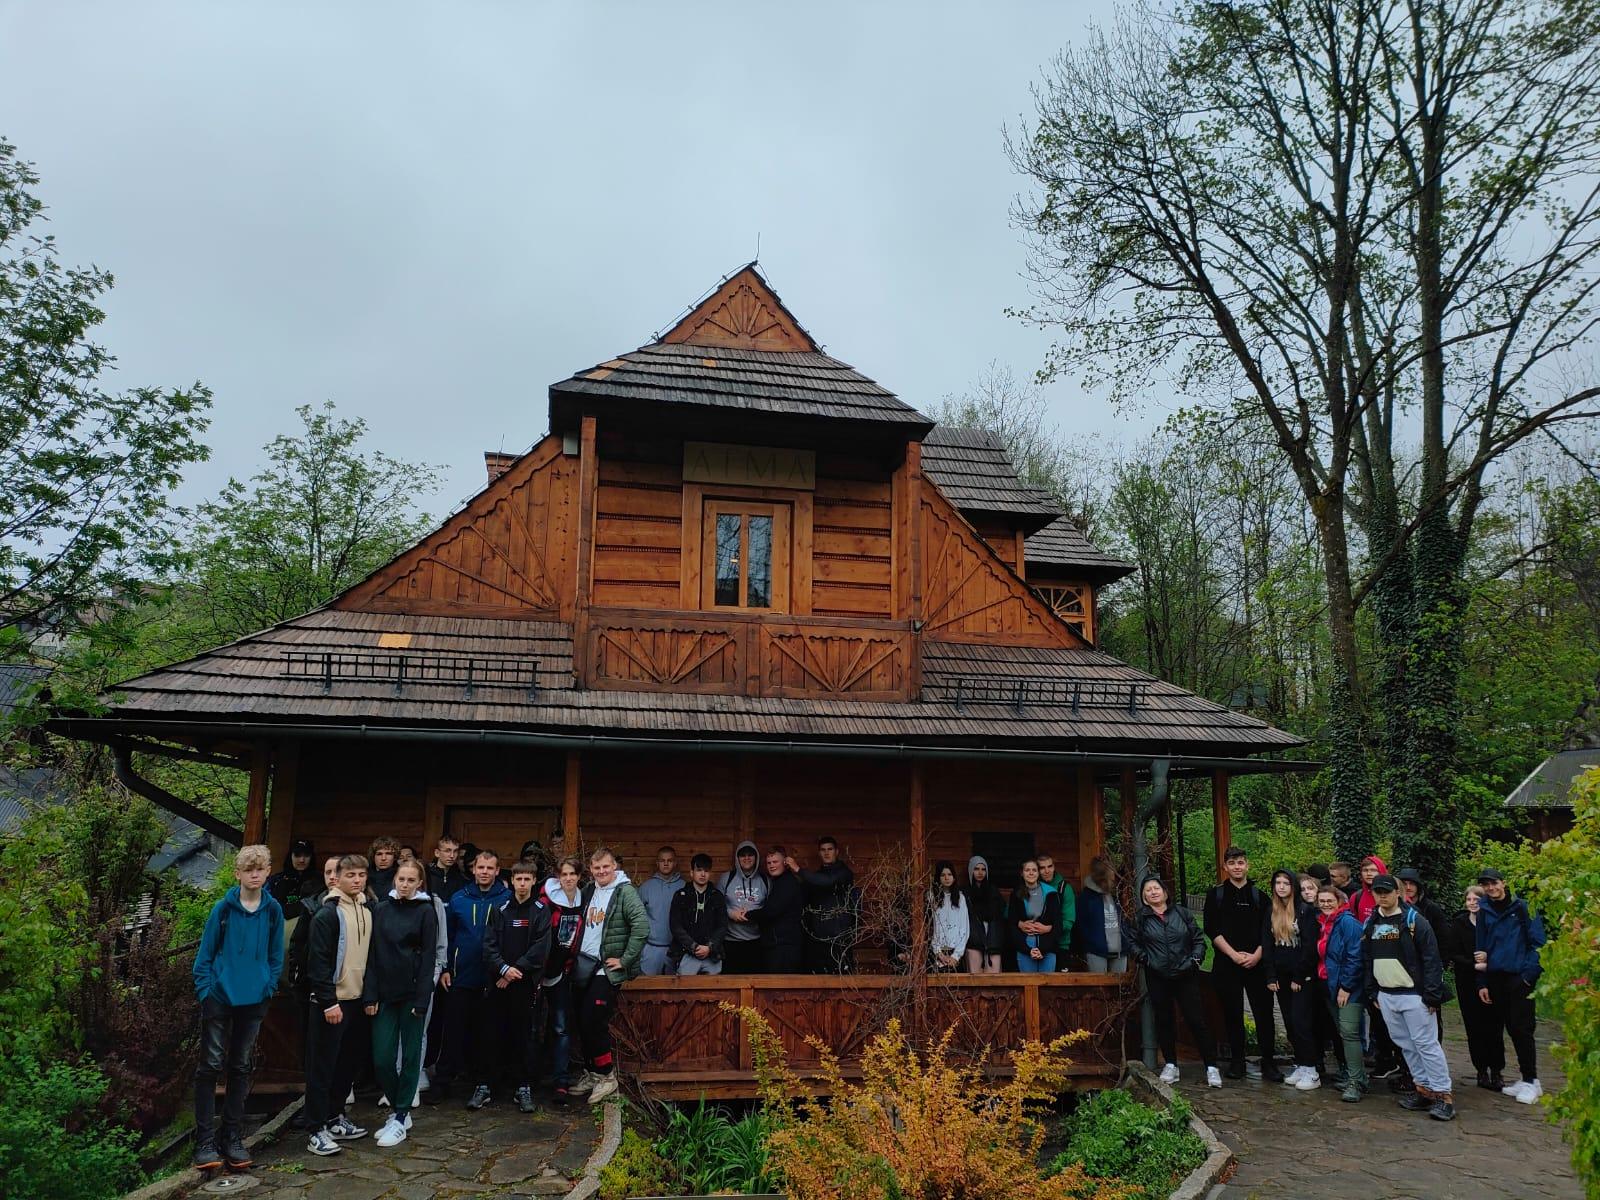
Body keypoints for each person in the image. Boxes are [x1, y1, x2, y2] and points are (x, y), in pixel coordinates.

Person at [191, 844, 284, 1172]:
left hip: (254, 999)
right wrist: (206, 991)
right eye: (249, 870)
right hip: (219, 997)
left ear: (268, 871)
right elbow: (204, 955)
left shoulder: (273, 911)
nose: (255, 875)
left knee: (241, 1066)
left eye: (260, 869)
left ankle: (232, 1136)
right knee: (210, 1066)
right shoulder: (223, 910)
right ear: (238, 874)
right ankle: (204, 1141)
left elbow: (276, 955)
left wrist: (268, 986)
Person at [1362, 873, 1454, 1120]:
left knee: (1426, 1045)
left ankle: (1443, 1096)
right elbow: (1367, 958)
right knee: (1406, 1045)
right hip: (1386, 995)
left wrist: (1432, 995)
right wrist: (1372, 991)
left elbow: (1431, 958)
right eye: (1378, 892)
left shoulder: (1415, 921)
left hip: (1414, 995)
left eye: (1387, 891)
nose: (1382, 896)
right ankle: (1423, 1090)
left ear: (1397, 893)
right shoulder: (1371, 922)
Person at [362, 858, 437, 1147]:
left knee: (410, 1057)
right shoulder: (381, 909)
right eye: (401, 879)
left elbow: (428, 957)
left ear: (419, 883)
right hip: (384, 994)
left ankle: (401, 1114)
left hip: (412, 994)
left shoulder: (426, 911)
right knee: (382, 1057)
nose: (405, 885)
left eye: (411, 880)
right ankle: (398, 1110)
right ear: (395, 879)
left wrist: (423, 998)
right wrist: (370, 994)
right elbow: (372, 954)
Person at [304, 854, 375, 1156]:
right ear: (338, 878)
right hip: (330, 1004)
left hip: (357, 1002)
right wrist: (328, 1001)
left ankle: (335, 1118)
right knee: (322, 1068)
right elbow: (318, 963)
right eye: (350, 875)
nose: (357, 880)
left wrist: (369, 997)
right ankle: (315, 1129)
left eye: (361, 875)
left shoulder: (367, 910)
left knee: (347, 1066)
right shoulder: (327, 915)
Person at [568, 846, 647, 1106]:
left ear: (615, 867)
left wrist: (625, 960)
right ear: (591, 870)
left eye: (606, 867)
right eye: (597, 867)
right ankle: (592, 1073)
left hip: (606, 970)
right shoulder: (589, 890)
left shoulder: (625, 892)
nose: (602, 871)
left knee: (595, 1021)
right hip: (584, 966)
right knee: (582, 1021)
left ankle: (606, 1076)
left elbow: (641, 927)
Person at [1126, 876, 1221, 1088]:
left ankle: (1211, 1066)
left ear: (1165, 892)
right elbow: (1132, 943)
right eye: (1148, 890)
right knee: (1164, 1020)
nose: (1153, 892)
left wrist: (1194, 961)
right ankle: (1171, 1064)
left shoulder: (1182, 913)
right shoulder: (1141, 918)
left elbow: (1198, 939)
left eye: (1156, 888)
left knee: (1196, 1019)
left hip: (1185, 974)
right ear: (1144, 896)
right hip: (1157, 975)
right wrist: (1146, 959)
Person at [436, 850, 510, 1104]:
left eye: (490, 868)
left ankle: (484, 1083)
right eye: (481, 867)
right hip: (461, 976)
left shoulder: (507, 899)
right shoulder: (459, 898)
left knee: (488, 1034)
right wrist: (446, 968)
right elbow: (446, 937)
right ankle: (443, 1082)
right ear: (474, 869)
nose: (485, 872)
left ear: (497, 871)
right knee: (453, 1031)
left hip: (493, 979)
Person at [1203, 847, 1281, 1081]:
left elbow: (1270, 931)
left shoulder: (1260, 896)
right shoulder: (1215, 895)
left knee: (1264, 1013)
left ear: (1247, 865)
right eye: (1232, 863)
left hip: (1257, 963)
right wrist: (1233, 955)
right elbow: (1211, 929)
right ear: (1225, 867)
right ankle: (1237, 1061)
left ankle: (1269, 1062)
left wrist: (1257, 955)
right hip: (1227, 963)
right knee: (1232, 1013)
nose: (1237, 867)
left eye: (1240, 863)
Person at [483, 861, 553, 1113]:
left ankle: (522, 1087)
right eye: (518, 879)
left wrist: (513, 972)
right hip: (498, 983)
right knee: (492, 1035)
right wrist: (503, 969)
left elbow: (540, 949)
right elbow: (488, 945)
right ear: (512, 881)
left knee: (523, 1036)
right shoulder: (499, 909)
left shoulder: (540, 911)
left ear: (534, 881)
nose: (522, 884)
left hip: (524, 985)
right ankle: (486, 1085)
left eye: (527, 879)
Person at [1476, 867, 1546, 1105]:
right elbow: (1481, 948)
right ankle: (1526, 1079)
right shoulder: (1484, 911)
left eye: (1494, 883)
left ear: (1503, 883)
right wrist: (1482, 981)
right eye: (1486, 885)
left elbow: (1538, 944)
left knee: (1522, 1028)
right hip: (1496, 977)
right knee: (1510, 1028)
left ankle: (1531, 1080)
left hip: (1519, 977)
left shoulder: (1523, 907)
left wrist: (1528, 976)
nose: (1491, 888)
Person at [1262, 868, 1321, 1090]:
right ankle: (1301, 1064)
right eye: (1277, 883)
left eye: (1286, 883)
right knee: (1289, 1022)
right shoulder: (1271, 911)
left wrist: (1300, 976)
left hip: (1301, 977)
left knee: (1301, 1021)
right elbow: (1267, 944)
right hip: (1281, 976)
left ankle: (1312, 1070)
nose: (1281, 887)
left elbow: (1310, 947)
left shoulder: (1304, 911)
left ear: (1293, 886)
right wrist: (1270, 975)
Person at [1445, 884, 1500, 1090]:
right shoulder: (1459, 923)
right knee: (1473, 1027)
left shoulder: (1493, 922)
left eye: (1476, 900)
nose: (1472, 903)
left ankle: (1497, 1070)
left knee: (1494, 1026)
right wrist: (1472, 963)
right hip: (1466, 981)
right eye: (1468, 899)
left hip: (1492, 979)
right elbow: (1453, 952)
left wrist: (1488, 961)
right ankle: (1481, 1070)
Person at [541, 856, 586, 1104]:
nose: (568, 878)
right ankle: (529, 1077)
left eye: (572, 874)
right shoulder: (546, 901)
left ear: (579, 876)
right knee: (534, 1026)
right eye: (564, 874)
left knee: (561, 1027)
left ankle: (560, 1080)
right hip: (539, 970)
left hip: (564, 971)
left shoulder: (583, 900)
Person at [1316, 884, 1367, 1103]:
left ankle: (1356, 1081)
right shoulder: (1323, 923)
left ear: (1339, 902)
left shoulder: (1347, 923)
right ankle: (1358, 1076)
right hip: (1330, 985)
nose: (1326, 904)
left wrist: (1346, 986)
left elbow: (1356, 956)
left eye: (1330, 901)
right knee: (1342, 1032)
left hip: (1347, 988)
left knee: (1349, 1032)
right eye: (1322, 901)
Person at [795, 836, 855, 974]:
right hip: (818, 939)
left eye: (830, 849)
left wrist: (798, 870)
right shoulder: (816, 876)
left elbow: (827, 881)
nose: (826, 853)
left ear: (837, 852)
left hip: (838, 938)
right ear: (819, 853)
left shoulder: (844, 873)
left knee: (841, 978)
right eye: (823, 850)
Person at [746, 847, 805, 973]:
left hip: (785, 946)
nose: (772, 865)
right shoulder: (778, 882)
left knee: (781, 983)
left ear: (785, 862)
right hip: (778, 944)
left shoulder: (787, 883)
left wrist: (746, 914)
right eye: (769, 863)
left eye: (775, 862)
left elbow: (771, 911)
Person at [670, 852, 728, 975]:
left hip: (712, 955)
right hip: (687, 954)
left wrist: (709, 947)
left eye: (706, 871)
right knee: (686, 987)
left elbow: (722, 926)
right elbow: (675, 926)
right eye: (699, 870)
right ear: (692, 872)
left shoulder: (717, 896)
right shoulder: (680, 896)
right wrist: (693, 946)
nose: (703, 874)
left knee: (714, 987)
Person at [718, 841, 768, 975]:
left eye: (750, 855)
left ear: (756, 857)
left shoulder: (765, 880)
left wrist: (754, 914)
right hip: (730, 942)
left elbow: (770, 909)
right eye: (742, 855)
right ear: (737, 858)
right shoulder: (726, 878)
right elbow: (716, 907)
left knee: (754, 983)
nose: (746, 858)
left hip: (756, 943)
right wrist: (731, 914)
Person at [636, 846, 684, 976]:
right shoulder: (646, 888)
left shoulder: (684, 887)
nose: (666, 863)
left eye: (670, 860)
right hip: (651, 949)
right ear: (657, 863)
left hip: (677, 949)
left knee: (675, 987)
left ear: (675, 863)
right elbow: (636, 919)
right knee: (648, 986)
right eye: (662, 860)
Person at [1007, 859, 1062, 972]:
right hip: (1025, 949)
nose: (1031, 873)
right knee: (1027, 982)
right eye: (1027, 870)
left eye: (1034, 870)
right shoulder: (1016, 894)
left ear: (1038, 873)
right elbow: (1012, 923)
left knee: (1047, 983)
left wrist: (1044, 949)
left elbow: (1058, 924)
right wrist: (1027, 949)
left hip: (1048, 948)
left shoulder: (1051, 893)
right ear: (1022, 873)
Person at [1077, 856, 1127, 974]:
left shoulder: (1118, 894)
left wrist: (1126, 941)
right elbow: (1081, 924)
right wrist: (1092, 944)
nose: (1113, 877)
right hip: (1096, 952)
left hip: (1120, 950)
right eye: (1111, 874)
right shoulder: (1086, 898)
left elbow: (1126, 919)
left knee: (1120, 985)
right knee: (1098, 985)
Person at [962, 855, 1006, 974]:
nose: (980, 872)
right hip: (973, 940)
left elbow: (1000, 916)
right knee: (974, 978)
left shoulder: (993, 891)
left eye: (983, 869)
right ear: (971, 870)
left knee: (994, 978)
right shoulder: (965, 893)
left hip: (992, 940)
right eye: (976, 869)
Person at [1036, 853, 1076, 971]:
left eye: (1050, 866)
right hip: (1036, 944)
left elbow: (1068, 922)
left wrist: (1048, 929)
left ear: (1054, 867)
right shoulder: (1031, 887)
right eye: (1042, 868)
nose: (1047, 871)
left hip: (1060, 945)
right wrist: (1021, 924)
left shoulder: (1064, 888)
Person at [927, 861, 968, 972]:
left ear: (954, 877)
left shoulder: (960, 898)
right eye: (943, 875)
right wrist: (939, 953)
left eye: (949, 874)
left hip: (956, 954)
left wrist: (956, 956)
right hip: (936, 952)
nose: (946, 878)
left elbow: (964, 928)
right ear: (938, 878)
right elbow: (931, 927)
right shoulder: (932, 897)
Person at [268, 838, 321, 922]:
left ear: (311, 857)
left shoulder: (319, 881)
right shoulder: (276, 880)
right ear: (290, 856)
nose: (302, 860)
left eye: (306, 855)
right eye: (297, 855)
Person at [427, 836, 467, 902]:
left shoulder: (460, 878)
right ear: (437, 853)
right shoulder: (426, 875)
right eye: (447, 851)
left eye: (455, 851)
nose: (452, 855)